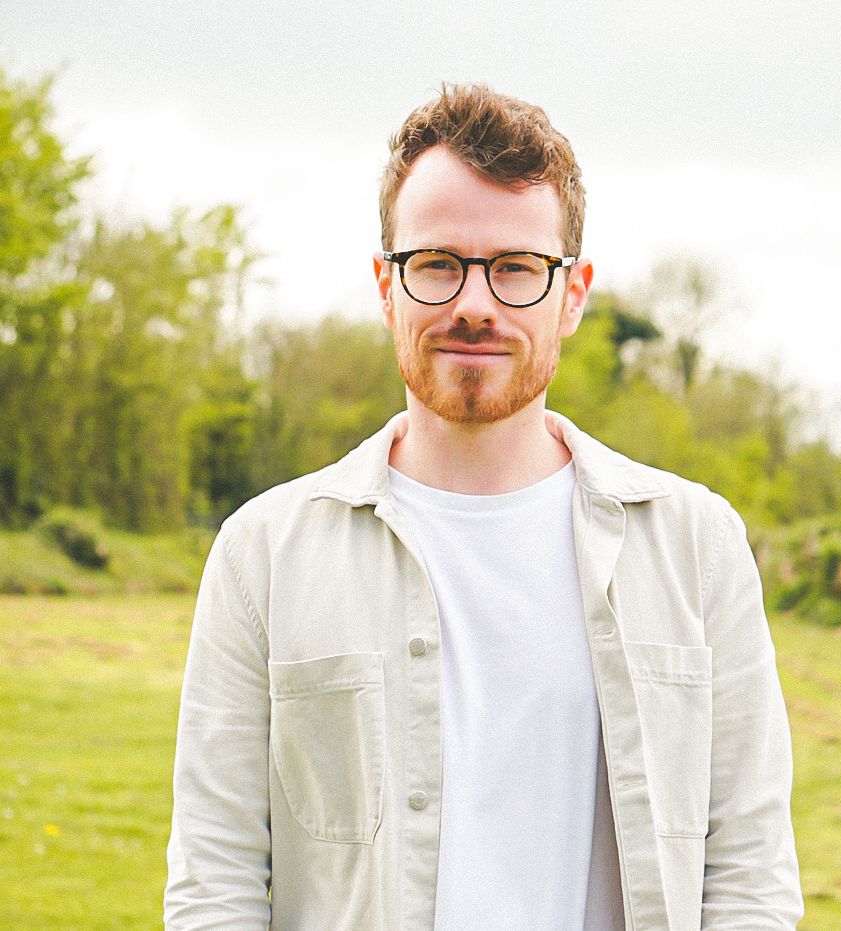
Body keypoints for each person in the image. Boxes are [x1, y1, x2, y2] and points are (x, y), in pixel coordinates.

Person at [164, 84, 803, 930]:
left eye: (514, 268)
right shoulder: (262, 556)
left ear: (571, 293)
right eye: (436, 263)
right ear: (385, 286)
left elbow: (750, 876)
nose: (474, 303)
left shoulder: (697, 546)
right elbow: (215, 882)